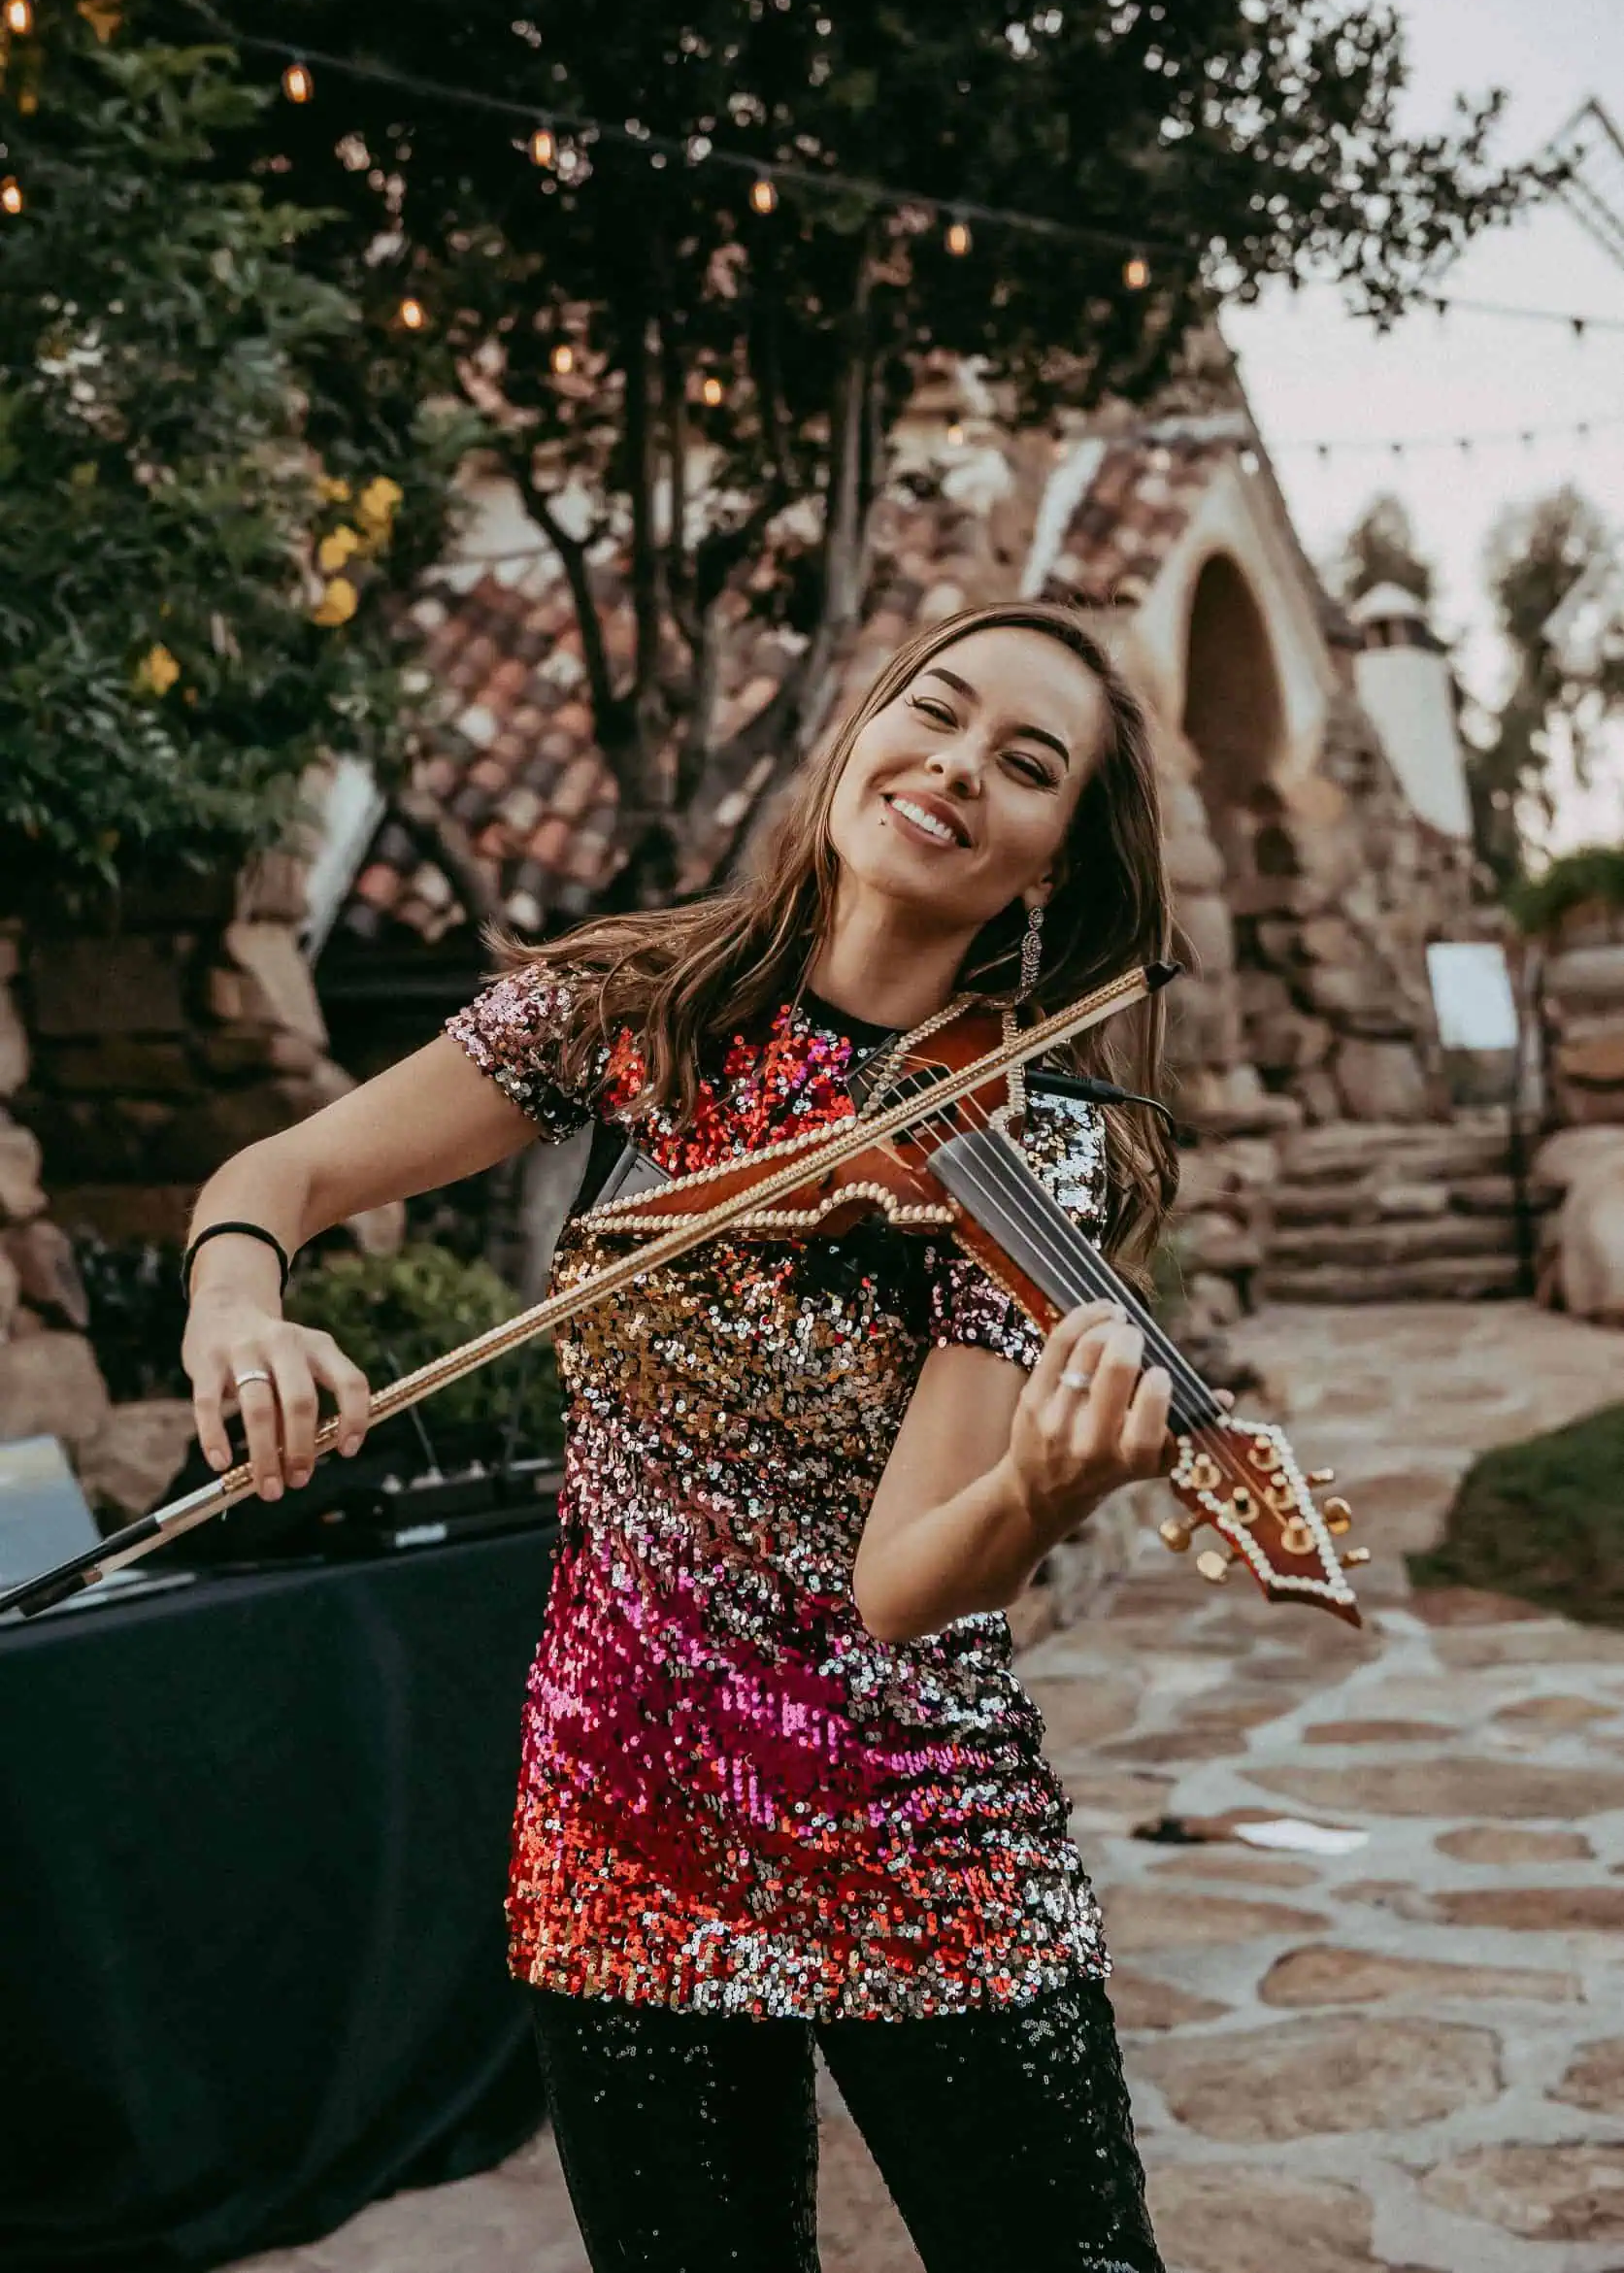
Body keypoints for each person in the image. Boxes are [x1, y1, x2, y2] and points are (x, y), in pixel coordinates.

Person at [181, 600, 1184, 2273]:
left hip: (914, 1823)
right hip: (618, 1810)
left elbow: (900, 1586)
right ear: (863, 728)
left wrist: (1038, 1487)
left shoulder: (1028, 1150)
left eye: (1024, 767)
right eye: (934, 714)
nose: (954, 768)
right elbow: (271, 1180)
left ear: (1051, 871)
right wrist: (238, 1305)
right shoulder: (636, 1011)